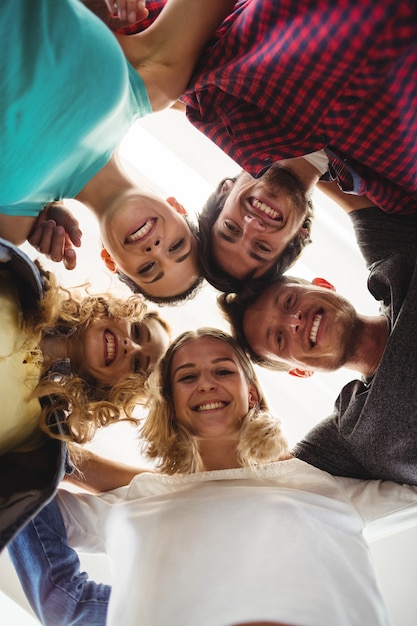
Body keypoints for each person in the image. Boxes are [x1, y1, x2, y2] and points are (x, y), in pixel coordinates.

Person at [8, 328, 417, 626]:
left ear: (251, 393)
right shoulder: (138, 498)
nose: (205, 384)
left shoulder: (317, 480)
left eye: (223, 371)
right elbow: (24, 500)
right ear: (170, 406)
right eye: (187, 377)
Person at [103, 0, 417, 289]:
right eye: (262, 248)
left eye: (231, 229)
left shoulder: (207, 91)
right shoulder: (398, 194)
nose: (252, 225)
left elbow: (105, 28)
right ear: (298, 236)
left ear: (225, 190)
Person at [0, 0, 236, 303]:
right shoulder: (155, 88)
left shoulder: (13, 225)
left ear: (110, 262)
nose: (155, 249)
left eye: (149, 268)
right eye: (177, 247)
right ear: (177, 207)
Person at [0, 237, 169, 550]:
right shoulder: (18, 280)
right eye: (137, 332)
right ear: (120, 311)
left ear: (119, 389)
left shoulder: (39, 434)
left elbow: (148, 488)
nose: (129, 346)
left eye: (138, 365)